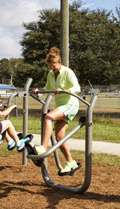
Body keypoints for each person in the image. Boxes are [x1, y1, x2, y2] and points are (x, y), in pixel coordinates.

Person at [32, 47, 81, 176]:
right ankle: (71, 162)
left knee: (48, 117)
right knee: (59, 137)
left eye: (54, 65)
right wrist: (39, 91)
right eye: (50, 65)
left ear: (59, 62)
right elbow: (47, 88)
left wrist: (65, 90)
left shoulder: (67, 72)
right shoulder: (50, 74)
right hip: (61, 105)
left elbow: (77, 87)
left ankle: (43, 147)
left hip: (70, 104)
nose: (52, 68)